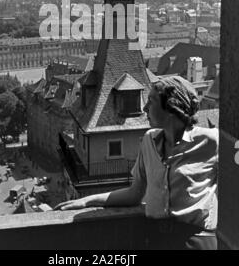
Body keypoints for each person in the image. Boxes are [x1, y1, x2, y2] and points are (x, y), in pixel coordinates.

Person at [55, 75, 218, 250]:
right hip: (157, 241)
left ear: (171, 107)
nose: (145, 107)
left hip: (195, 242)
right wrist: (87, 201)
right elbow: (134, 193)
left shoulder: (211, 141)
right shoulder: (149, 141)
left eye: (151, 101)